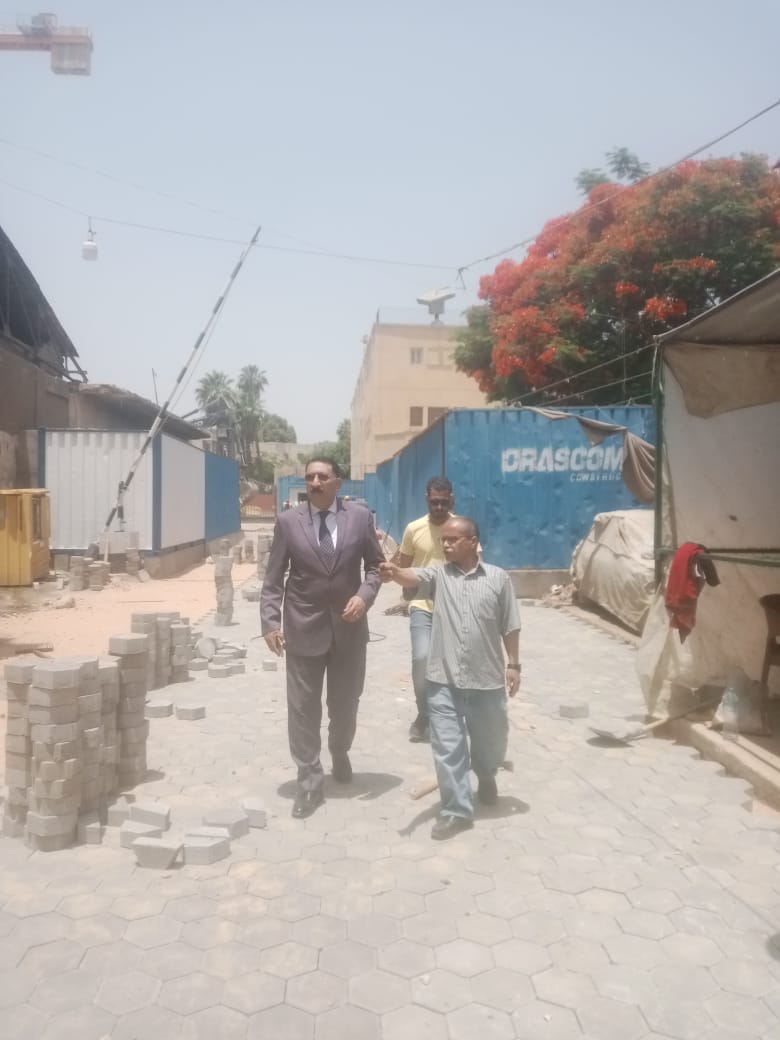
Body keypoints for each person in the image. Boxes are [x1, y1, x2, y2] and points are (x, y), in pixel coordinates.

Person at [380, 516, 521, 840]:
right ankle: (456, 810)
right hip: (443, 680)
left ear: (472, 542)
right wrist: (393, 572)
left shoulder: (499, 579)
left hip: (486, 680)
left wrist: (514, 665)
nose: (445, 544)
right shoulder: (439, 576)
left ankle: (486, 773)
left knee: (491, 741)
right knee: (447, 747)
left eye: (452, 540)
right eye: (443, 539)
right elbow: (411, 575)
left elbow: (511, 625)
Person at [261, 457, 384, 819]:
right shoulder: (288, 522)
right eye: (310, 477)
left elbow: (375, 568)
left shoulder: (359, 518)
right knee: (302, 708)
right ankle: (309, 780)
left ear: (337, 483)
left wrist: (364, 596)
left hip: (349, 628)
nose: (315, 482)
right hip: (303, 626)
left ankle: (339, 749)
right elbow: (273, 578)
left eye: (322, 477)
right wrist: (270, 622)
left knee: (345, 706)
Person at [398, 476, 456, 743]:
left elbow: (474, 562)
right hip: (422, 606)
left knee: (451, 665)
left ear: (451, 500)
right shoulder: (414, 529)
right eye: (435, 502)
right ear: (427, 500)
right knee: (421, 659)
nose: (439, 507)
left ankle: (447, 716)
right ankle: (424, 714)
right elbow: (404, 568)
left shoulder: (460, 527)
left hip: (454, 608)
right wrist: (408, 595)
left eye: (444, 502)